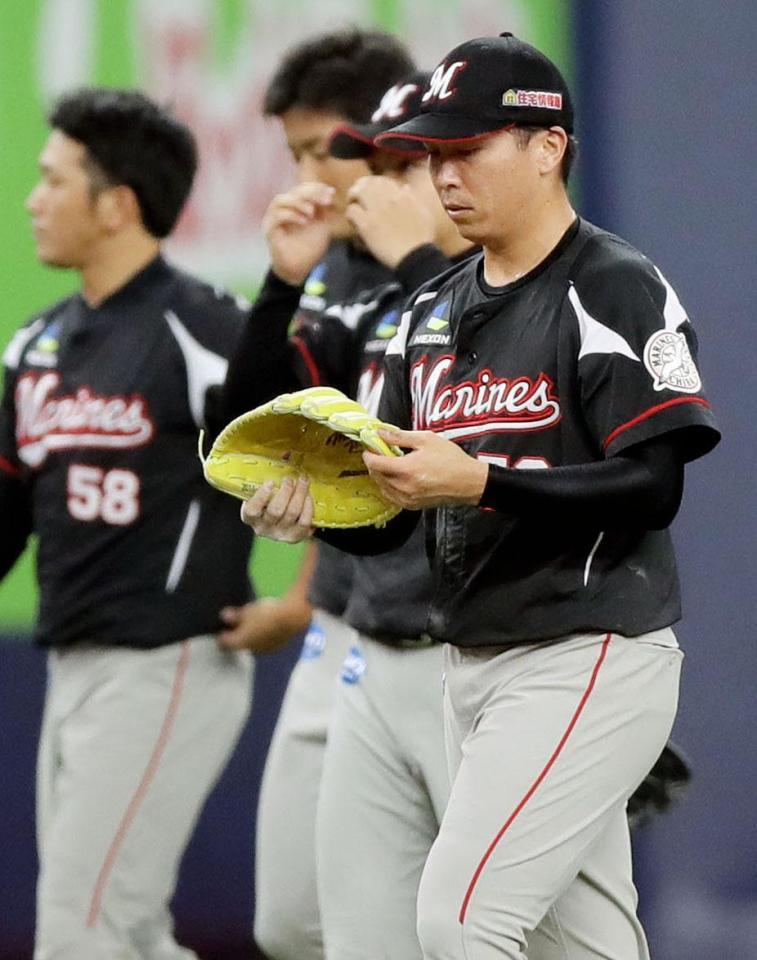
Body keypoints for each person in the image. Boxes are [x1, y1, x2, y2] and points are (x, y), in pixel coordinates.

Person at [240, 32, 721, 960]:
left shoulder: (612, 284)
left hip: (588, 651)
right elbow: (388, 518)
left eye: (468, 150)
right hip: (472, 660)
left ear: (547, 147)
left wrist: (484, 481)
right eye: (434, 154)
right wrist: (310, 503)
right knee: (575, 944)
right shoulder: (429, 309)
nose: (444, 174)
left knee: (458, 922)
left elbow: (654, 487)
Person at [221, 68, 478, 959]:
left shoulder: (502, 282)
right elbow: (244, 428)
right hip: (366, 629)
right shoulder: (354, 288)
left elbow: (479, 385)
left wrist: (415, 260)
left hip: (479, 647)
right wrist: (279, 285)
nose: (362, 185)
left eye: (399, 166)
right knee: (298, 924)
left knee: (491, 930)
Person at [0, 88, 256, 960]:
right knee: (129, 932)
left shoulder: (207, 329)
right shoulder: (35, 346)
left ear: (117, 205)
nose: (33, 198)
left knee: (83, 932)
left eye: (53, 179)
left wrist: (302, 594)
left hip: (168, 661)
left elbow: (311, 467)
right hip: (75, 662)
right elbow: (6, 510)